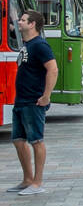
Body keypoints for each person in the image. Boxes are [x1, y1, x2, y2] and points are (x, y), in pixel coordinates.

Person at [8, 10, 57, 196]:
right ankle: (27, 179)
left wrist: (46, 96)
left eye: (23, 20)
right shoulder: (27, 44)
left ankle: (38, 182)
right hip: (20, 100)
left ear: (32, 24)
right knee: (18, 140)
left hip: (33, 101)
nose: (19, 22)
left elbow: (53, 70)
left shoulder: (40, 45)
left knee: (36, 140)